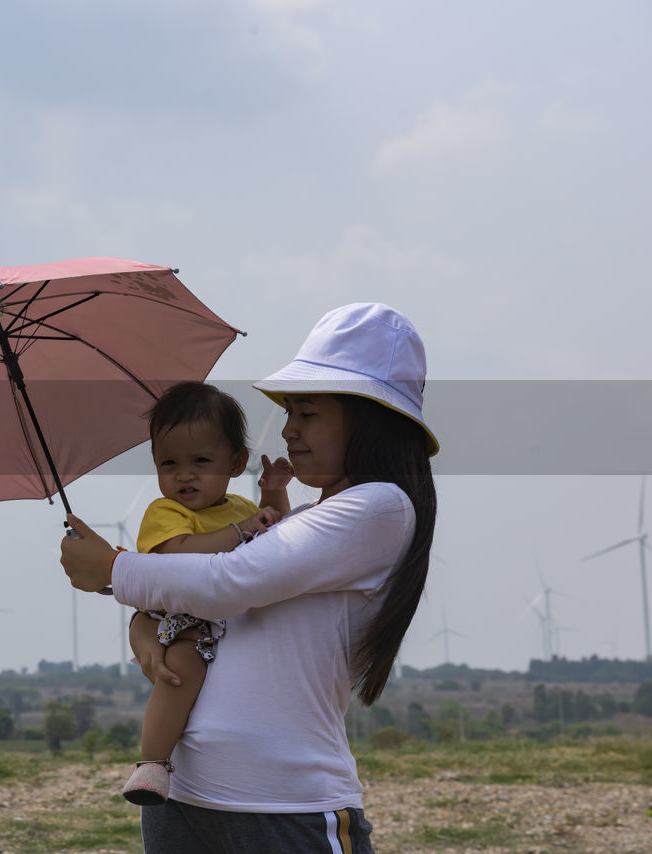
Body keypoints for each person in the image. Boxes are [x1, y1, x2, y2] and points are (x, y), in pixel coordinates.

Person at [62, 303, 438, 853]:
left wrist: (113, 571)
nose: (288, 430)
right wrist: (144, 629)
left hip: (286, 804)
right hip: (186, 797)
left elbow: (228, 580)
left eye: (307, 413)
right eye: (291, 413)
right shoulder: (304, 519)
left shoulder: (379, 508)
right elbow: (209, 604)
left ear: (369, 417)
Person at [122, 381, 293, 806]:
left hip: (224, 615)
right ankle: (153, 763)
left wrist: (272, 493)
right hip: (178, 618)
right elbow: (176, 554)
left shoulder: (237, 507)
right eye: (169, 463)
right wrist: (239, 531)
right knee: (181, 667)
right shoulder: (166, 512)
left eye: (201, 460)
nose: (184, 474)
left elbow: (275, 533)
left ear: (236, 463)